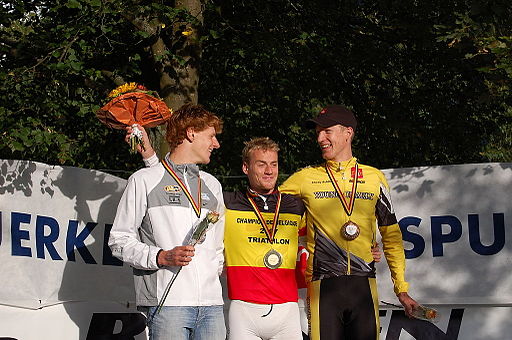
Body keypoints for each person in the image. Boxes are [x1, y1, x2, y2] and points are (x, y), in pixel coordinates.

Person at [279, 105, 418, 340]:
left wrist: (401, 289)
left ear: (348, 133)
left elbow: (392, 236)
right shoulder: (304, 179)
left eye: (327, 131)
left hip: (364, 285)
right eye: (318, 132)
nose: (320, 138)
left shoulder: (374, 178)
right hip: (323, 286)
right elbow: (268, 215)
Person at [109, 104, 226, 340]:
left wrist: (212, 274)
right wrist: (160, 257)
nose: (216, 144)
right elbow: (118, 241)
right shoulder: (144, 180)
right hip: (168, 304)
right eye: (211, 136)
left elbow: (217, 247)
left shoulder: (212, 185)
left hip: (212, 306)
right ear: (191, 133)